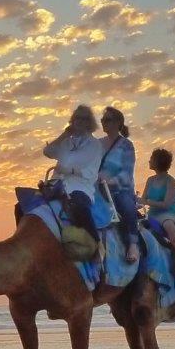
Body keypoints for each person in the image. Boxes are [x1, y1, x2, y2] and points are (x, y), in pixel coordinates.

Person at [43, 104, 103, 245]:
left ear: (89, 122)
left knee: (80, 207)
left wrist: (71, 171)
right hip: (56, 185)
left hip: (80, 187)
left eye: (84, 119)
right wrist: (65, 134)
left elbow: (91, 173)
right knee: (23, 205)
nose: (80, 122)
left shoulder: (94, 145)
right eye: (77, 118)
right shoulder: (66, 142)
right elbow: (48, 152)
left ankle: (96, 244)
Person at [98, 106, 139, 263]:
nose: (103, 123)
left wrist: (112, 181)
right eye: (102, 120)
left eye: (107, 120)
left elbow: (127, 172)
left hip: (119, 189)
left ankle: (133, 244)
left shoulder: (126, 145)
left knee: (126, 204)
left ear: (117, 123)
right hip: (97, 187)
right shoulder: (97, 144)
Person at [139, 148, 175, 272]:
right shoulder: (150, 180)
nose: (149, 161)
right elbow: (143, 199)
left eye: (152, 158)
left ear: (158, 161)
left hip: (168, 213)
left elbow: (167, 203)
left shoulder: (170, 180)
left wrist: (146, 202)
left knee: (169, 226)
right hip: (152, 214)